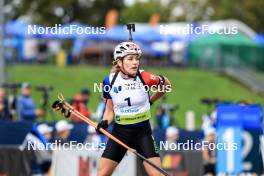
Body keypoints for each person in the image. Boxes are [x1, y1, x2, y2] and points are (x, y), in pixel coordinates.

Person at [96, 41, 171, 176]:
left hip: (142, 133)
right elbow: (109, 111)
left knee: (157, 174)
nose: (135, 62)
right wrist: (104, 122)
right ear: (119, 62)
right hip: (120, 133)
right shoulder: (109, 81)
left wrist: (150, 101)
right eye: (130, 59)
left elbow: (166, 85)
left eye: (137, 58)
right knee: (102, 174)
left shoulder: (145, 77)